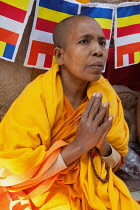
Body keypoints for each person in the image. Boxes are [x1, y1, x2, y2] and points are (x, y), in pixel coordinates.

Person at [0, 15, 139, 210]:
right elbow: (12, 168)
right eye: (84, 41)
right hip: (46, 191)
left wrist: (102, 144)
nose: (98, 51)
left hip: (98, 188)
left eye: (102, 43)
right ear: (60, 56)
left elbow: (116, 162)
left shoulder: (106, 96)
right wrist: (80, 145)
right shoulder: (38, 97)